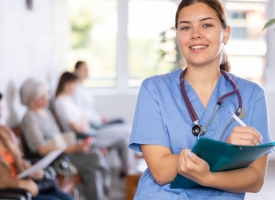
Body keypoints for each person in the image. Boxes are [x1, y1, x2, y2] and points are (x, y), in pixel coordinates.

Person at [129, 1, 273, 199]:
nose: (195, 34)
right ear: (178, 35)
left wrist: (208, 177)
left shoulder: (252, 95)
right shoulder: (154, 89)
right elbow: (161, 171)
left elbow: (255, 179)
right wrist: (224, 151)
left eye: (206, 25)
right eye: (186, 27)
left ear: (226, 33)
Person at [19, 79, 111, 200]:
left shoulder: (46, 112)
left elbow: (59, 137)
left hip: (64, 152)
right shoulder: (30, 118)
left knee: (93, 173)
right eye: (42, 96)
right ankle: (107, 190)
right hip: (55, 161)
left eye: (47, 93)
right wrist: (72, 148)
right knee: (96, 155)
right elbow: (40, 149)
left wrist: (77, 145)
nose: (47, 97)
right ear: (29, 100)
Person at [54, 72, 131, 178]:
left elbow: (83, 118)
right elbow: (76, 127)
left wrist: (83, 122)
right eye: (74, 84)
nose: (76, 87)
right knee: (127, 129)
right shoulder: (60, 102)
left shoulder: (69, 99)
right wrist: (83, 122)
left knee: (124, 141)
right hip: (89, 136)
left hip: (91, 130)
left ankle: (128, 175)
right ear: (67, 84)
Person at [0, 92, 73, 200]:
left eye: (1, 109)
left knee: (66, 197)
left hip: (24, 183)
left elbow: (18, 160)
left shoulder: (4, 131)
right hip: (12, 191)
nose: (1, 115)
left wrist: (31, 170)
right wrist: (18, 184)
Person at [73, 61, 124, 129]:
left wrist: (100, 117)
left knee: (120, 121)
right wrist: (99, 119)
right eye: (84, 70)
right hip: (91, 122)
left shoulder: (83, 88)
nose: (87, 72)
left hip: (96, 119)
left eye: (87, 69)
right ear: (77, 71)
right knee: (120, 122)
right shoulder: (76, 90)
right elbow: (82, 113)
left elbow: (89, 109)